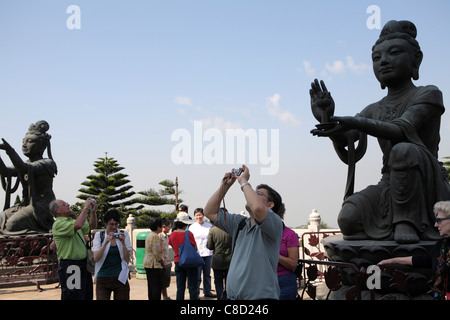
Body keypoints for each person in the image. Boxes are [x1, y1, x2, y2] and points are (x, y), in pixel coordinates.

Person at [310, 20, 450, 244]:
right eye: (376, 58)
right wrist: (326, 118)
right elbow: (350, 147)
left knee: (404, 150)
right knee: (348, 218)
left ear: (416, 60)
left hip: (425, 183)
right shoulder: (374, 109)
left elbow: (401, 129)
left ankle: (407, 221)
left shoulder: (429, 94)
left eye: (394, 53)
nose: (383, 61)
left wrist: (356, 121)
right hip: (389, 183)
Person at [203, 164, 284, 300]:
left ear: (270, 205)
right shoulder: (240, 223)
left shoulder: (274, 223)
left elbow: (258, 208)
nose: (251, 194)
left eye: (259, 194)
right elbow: (209, 212)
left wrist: (244, 182)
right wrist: (225, 186)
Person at [378, 201, 450, 300]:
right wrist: (389, 261)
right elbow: (419, 260)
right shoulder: (441, 246)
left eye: (439, 220)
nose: (435, 225)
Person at [0, 120, 57, 235]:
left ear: (41, 146)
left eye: (30, 141)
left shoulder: (48, 163)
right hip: (26, 203)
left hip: (42, 204)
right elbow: (6, 172)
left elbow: (24, 168)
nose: (24, 145)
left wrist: (10, 151)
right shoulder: (24, 163)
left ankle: (37, 239)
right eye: (23, 142)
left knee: (12, 224)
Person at [51, 198, 98, 300]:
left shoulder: (72, 221)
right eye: (64, 204)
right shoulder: (58, 224)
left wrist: (93, 212)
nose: (68, 204)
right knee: (73, 297)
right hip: (71, 266)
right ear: (57, 210)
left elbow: (91, 226)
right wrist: (85, 207)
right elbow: (78, 225)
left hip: (83, 264)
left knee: (86, 295)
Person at [92, 208, 131, 300]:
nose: (114, 227)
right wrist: (105, 243)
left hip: (120, 277)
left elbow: (127, 259)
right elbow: (96, 258)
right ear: (105, 224)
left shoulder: (124, 234)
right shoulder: (99, 236)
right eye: (111, 224)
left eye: (116, 224)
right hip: (103, 277)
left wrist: (123, 243)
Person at [169, 212, 199, 300]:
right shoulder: (189, 234)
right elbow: (195, 248)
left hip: (178, 261)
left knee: (180, 287)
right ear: (185, 224)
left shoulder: (172, 235)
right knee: (192, 287)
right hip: (190, 262)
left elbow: (173, 247)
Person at [190, 207, 216, 298]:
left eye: (200, 215)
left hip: (208, 253)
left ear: (203, 215)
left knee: (207, 274)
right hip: (197, 254)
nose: (198, 217)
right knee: (197, 275)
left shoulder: (209, 226)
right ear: (194, 216)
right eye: (196, 215)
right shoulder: (192, 227)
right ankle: (196, 293)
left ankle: (207, 291)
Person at [276, 203, 299, 300]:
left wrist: (274, 255)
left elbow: (293, 264)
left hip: (284, 281)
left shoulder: (289, 234)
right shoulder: (258, 233)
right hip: (262, 280)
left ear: (281, 214)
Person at [207, 224, 232, 300]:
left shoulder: (212, 230)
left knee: (218, 283)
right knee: (229, 283)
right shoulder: (231, 229)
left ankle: (220, 298)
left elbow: (210, 246)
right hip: (230, 260)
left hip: (217, 260)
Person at [143, 217, 164, 300]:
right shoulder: (155, 237)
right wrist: (162, 262)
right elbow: (156, 253)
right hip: (154, 265)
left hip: (148, 263)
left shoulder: (149, 235)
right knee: (157, 287)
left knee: (151, 286)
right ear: (158, 227)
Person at [160, 218, 173, 300]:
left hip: (166, 262)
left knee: (165, 282)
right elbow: (159, 252)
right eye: (169, 227)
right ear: (164, 226)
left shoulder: (166, 236)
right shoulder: (159, 236)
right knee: (161, 282)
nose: (170, 229)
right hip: (161, 263)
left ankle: (165, 296)